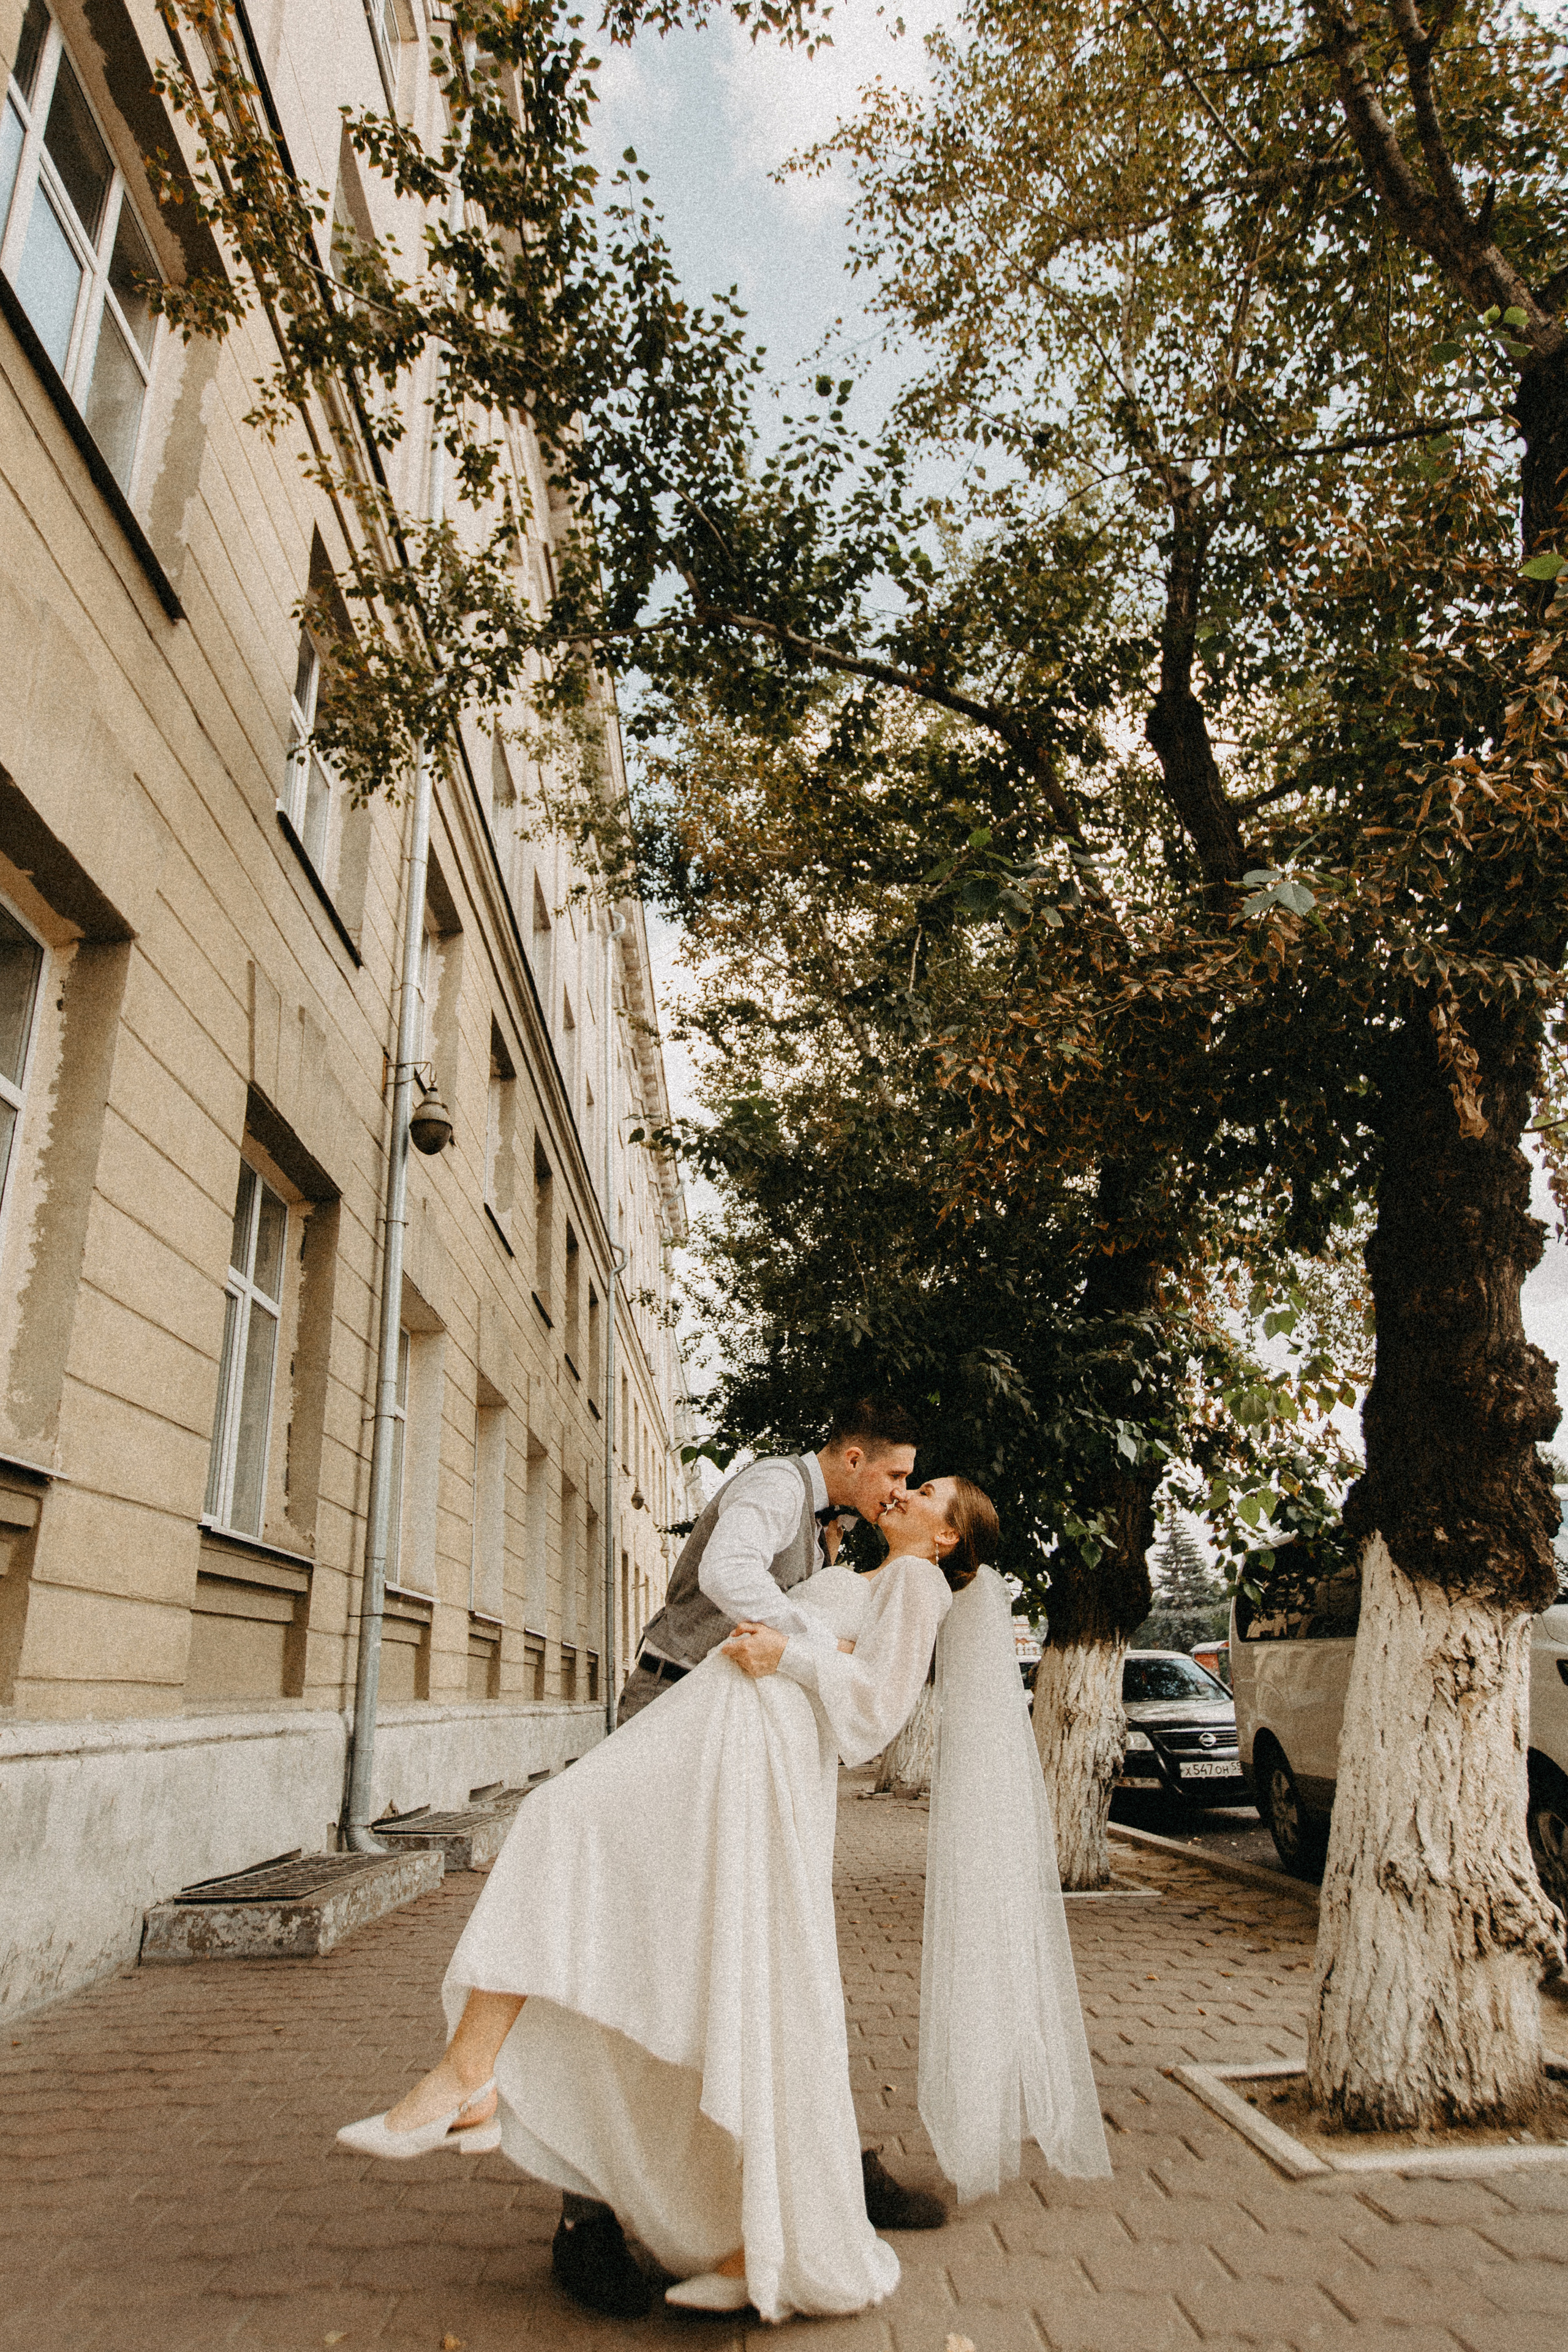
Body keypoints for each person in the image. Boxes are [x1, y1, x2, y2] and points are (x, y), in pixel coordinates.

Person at [337, 1471, 1110, 2323]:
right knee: (598, 1859)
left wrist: (795, 1655)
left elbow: (881, 1712)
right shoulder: (865, 1567)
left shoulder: (919, 1582)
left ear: (948, 1538)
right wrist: (817, 1644)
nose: (905, 1493)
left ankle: (732, 2228)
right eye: (902, 1478)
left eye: (925, 1492)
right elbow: (837, 1652)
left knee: (582, 1839)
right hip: (723, 1727)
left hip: (752, 1750)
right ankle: (481, 2082)